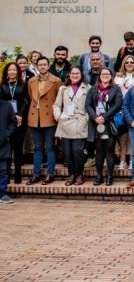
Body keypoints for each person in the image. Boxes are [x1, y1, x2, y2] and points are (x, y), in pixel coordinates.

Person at [26, 56, 62, 185]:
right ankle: (36, 174)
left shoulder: (56, 80)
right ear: (36, 66)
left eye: (44, 64)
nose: (42, 67)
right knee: (37, 148)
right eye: (40, 65)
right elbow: (31, 97)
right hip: (35, 117)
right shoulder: (31, 81)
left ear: (48, 66)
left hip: (49, 118)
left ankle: (50, 173)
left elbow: (59, 100)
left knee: (50, 147)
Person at [85, 67, 123, 186]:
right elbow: (88, 106)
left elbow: (117, 105)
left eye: (107, 74)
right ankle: (99, 175)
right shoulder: (93, 89)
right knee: (99, 151)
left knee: (109, 151)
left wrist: (104, 117)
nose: (105, 75)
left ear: (111, 76)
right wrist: (95, 117)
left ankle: (110, 176)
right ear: (99, 76)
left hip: (109, 123)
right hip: (96, 123)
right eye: (103, 74)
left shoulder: (116, 89)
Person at [53, 66, 90, 186]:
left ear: (81, 74)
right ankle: (71, 174)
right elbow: (57, 105)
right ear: (69, 75)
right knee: (67, 152)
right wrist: (58, 116)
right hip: (65, 122)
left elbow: (92, 106)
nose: (75, 75)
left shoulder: (88, 88)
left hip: (80, 122)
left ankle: (79, 174)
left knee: (77, 151)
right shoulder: (63, 89)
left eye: (77, 73)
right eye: (72, 73)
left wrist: (87, 118)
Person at [1, 63, 29, 185]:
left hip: (20, 121)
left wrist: (20, 115)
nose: (12, 72)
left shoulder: (23, 84)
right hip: (6, 121)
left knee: (18, 148)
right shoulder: (2, 86)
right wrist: (12, 116)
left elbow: (26, 101)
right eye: (10, 70)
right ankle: (6, 176)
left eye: (14, 70)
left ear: (18, 72)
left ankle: (18, 176)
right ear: (6, 72)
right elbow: (2, 103)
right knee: (7, 148)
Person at [114, 55, 134, 170]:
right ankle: (123, 160)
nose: (129, 64)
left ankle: (132, 160)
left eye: (132, 62)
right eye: (127, 62)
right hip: (121, 110)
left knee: (132, 137)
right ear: (123, 64)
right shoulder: (118, 77)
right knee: (122, 137)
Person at [0, 96, 16, 204]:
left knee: (3, 171)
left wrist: (7, 133)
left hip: (3, 144)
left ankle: (3, 194)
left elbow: (13, 122)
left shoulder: (7, 105)